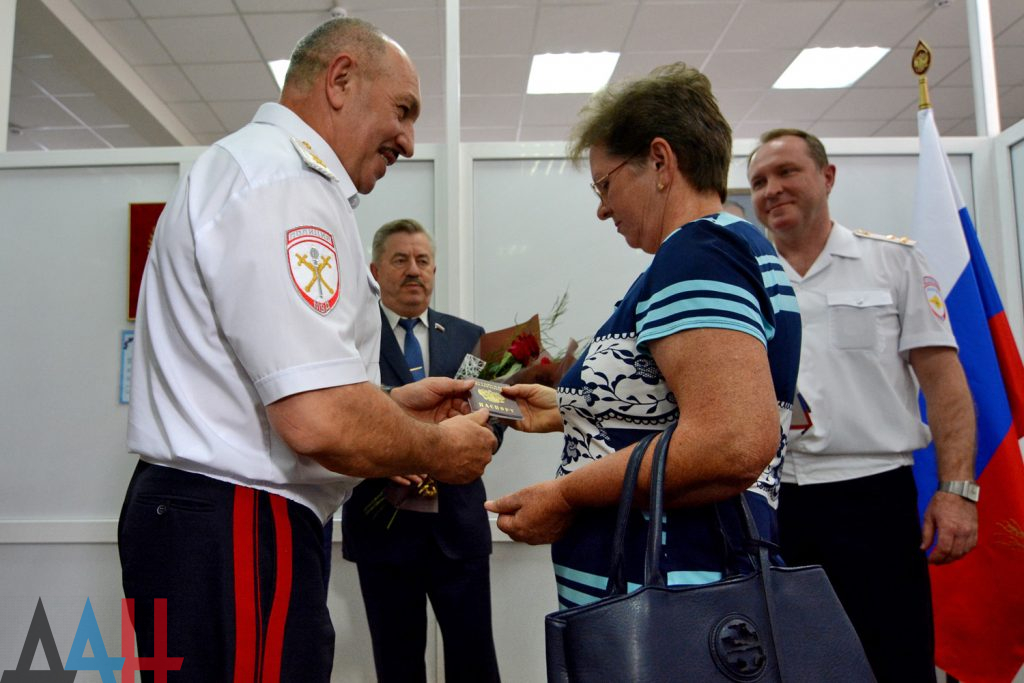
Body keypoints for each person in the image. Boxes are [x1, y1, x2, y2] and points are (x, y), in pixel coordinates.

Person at [119, 18, 496, 682]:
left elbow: (282, 389)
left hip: (220, 521)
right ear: (341, 79)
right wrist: (437, 450)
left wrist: (391, 410)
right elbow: (316, 418)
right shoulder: (285, 182)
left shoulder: (259, 172)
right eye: (403, 110)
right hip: (238, 521)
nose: (409, 140)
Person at [485, 63, 802, 613]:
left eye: (605, 184)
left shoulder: (698, 253)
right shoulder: (717, 249)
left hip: (674, 589)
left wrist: (565, 495)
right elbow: (683, 407)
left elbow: (730, 442)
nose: (602, 208)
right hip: (667, 583)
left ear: (659, 161)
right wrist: (568, 409)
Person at [745, 128, 978, 683]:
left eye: (787, 172)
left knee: (893, 661)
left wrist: (957, 491)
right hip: (773, 504)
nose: (772, 189)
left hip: (873, 499)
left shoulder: (892, 262)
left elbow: (945, 385)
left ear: (827, 177)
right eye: (758, 181)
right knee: (789, 666)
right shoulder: (744, 277)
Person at [341, 218, 502, 683]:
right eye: (400, 260)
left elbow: (495, 419)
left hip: (458, 528)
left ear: (433, 271)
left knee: (475, 663)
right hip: (382, 529)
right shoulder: (350, 337)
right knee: (397, 665)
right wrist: (389, 454)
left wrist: (466, 435)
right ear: (375, 271)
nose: (414, 270)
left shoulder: (470, 337)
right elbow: (342, 414)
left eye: (423, 260)